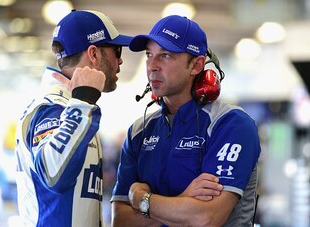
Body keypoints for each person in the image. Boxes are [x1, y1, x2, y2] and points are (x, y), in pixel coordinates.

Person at [111, 15, 261, 227]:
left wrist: (140, 199)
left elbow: (206, 218)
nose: (152, 66)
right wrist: (183, 199)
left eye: (165, 56)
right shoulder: (138, 131)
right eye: (149, 54)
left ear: (196, 65)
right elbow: (120, 221)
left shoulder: (230, 124)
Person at [15, 9, 132, 227]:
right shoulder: (52, 107)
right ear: (94, 53)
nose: (121, 61)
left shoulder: (71, 106)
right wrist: (84, 100)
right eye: (117, 51)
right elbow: (53, 173)